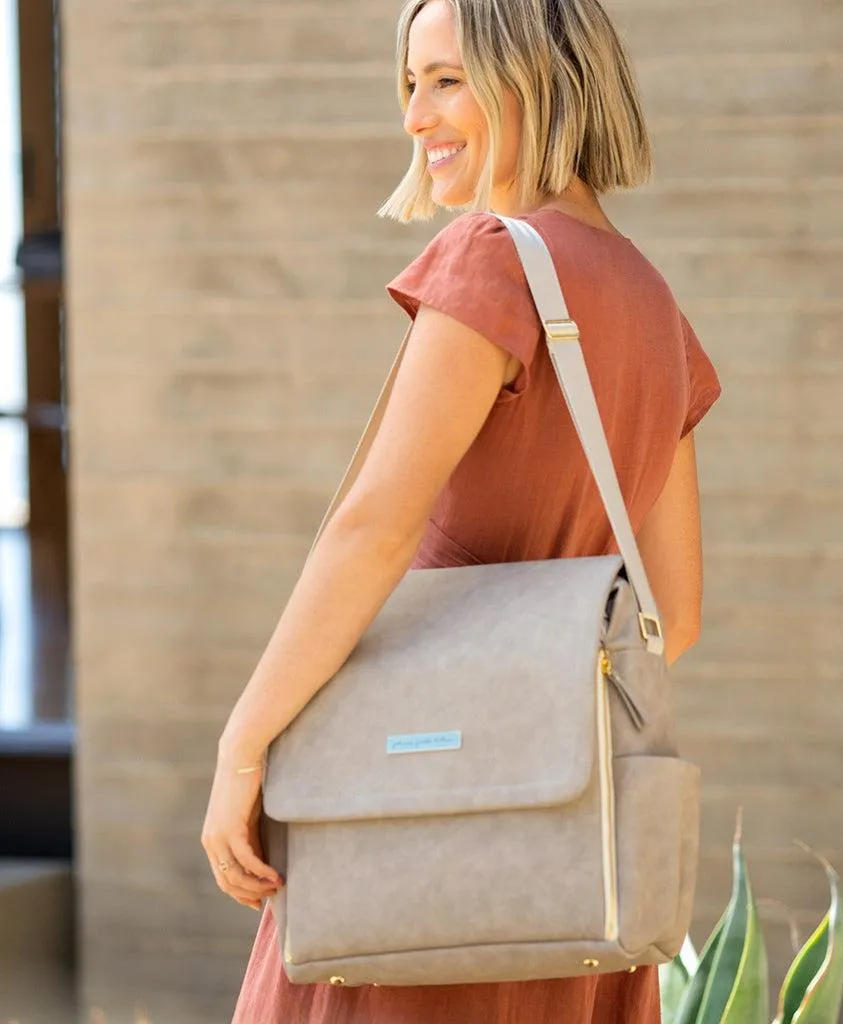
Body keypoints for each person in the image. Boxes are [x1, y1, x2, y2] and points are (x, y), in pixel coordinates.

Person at [204, 0, 723, 1020]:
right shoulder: (655, 305)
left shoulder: (493, 257)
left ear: (535, 78)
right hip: (573, 854)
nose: (413, 116)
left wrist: (244, 743)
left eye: (445, 80)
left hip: (416, 826)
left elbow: (371, 528)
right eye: (409, 84)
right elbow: (675, 616)